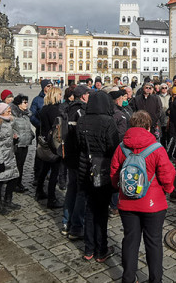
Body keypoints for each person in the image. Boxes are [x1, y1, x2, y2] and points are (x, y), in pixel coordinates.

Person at [110, 111, 175, 283]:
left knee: (130, 240)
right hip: (153, 204)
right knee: (153, 242)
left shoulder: (121, 147)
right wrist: (168, 189)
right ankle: (156, 279)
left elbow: (114, 174)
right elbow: (167, 175)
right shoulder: (157, 148)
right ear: (148, 127)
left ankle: (128, 278)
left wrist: (119, 188)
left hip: (127, 202)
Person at [77, 91, 119, 262]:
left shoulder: (82, 120)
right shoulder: (108, 121)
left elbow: (78, 144)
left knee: (89, 210)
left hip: (85, 169)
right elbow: (114, 147)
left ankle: (89, 249)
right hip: (102, 171)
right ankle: (101, 250)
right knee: (101, 212)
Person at [62, 84, 89, 240]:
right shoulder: (81, 111)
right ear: (84, 96)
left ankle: (66, 222)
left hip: (69, 156)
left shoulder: (68, 108)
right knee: (81, 191)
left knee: (71, 189)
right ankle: (76, 226)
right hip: (78, 157)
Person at [0, 102, 20, 215]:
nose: (10, 112)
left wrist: (15, 136)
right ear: (1, 112)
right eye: (8, 111)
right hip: (0, 157)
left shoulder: (7, 121)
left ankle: (8, 200)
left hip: (9, 155)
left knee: (13, 177)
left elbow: (8, 134)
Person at [37, 87, 64, 208]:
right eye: (59, 95)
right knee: (54, 172)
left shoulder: (44, 109)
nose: (60, 97)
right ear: (54, 95)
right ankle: (51, 199)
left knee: (44, 168)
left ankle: (39, 191)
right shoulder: (54, 110)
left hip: (45, 143)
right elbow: (57, 128)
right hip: (53, 144)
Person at [11, 94, 35, 193]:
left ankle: (19, 183)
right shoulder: (13, 115)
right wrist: (14, 135)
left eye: (27, 102)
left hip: (25, 143)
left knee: (21, 164)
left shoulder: (26, 115)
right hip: (17, 144)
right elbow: (9, 127)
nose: (26, 104)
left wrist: (31, 134)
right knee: (17, 165)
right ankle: (14, 184)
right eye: (24, 102)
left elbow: (28, 127)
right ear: (18, 104)